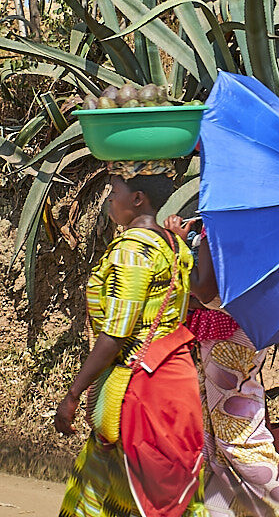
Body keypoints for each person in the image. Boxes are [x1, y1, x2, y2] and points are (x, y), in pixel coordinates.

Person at [55, 160, 207, 517]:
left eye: (114, 192)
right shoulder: (173, 244)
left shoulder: (133, 250)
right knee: (167, 495)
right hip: (175, 382)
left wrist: (73, 393)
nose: (108, 200)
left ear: (138, 198)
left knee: (114, 494)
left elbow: (115, 335)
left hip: (137, 390)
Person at [164, 215, 279, 517]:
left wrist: (180, 244)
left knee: (237, 437)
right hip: (238, 329)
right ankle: (218, 511)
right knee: (212, 437)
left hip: (229, 336)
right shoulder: (256, 218)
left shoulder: (221, 219)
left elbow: (207, 291)